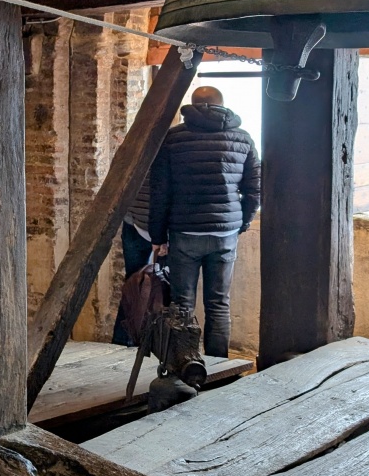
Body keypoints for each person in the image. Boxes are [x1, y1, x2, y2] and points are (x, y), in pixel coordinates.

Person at [148, 87, 260, 358]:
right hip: (225, 233)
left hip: (185, 231)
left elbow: (160, 191)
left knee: (181, 305)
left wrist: (157, 235)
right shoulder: (242, 138)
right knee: (219, 303)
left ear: (192, 105)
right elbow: (255, 190)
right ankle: (219, 368)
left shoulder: (173, 139)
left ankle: (183, 366)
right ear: (223, 105)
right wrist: (240, 223)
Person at [111, 177, 155, 346]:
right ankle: (153, 343)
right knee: (163, 289)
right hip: (160, 224)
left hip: (135, 219)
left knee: (133, 287)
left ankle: (123, 342)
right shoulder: (174, 149)